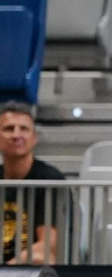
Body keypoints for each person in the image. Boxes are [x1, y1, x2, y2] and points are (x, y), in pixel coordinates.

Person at [2, 103, 65, 264]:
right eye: (9, 129)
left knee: (40, 258)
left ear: (34, 137)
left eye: (24, 129)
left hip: (28, 272)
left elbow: (48, 246)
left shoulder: (50, 180)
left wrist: (7, 272)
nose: (16, 135)